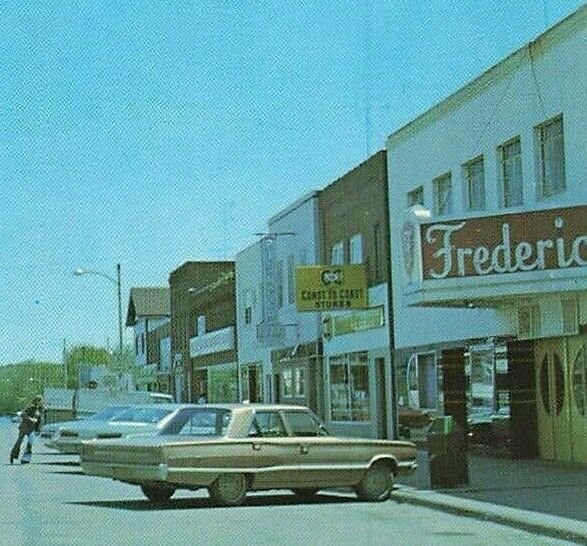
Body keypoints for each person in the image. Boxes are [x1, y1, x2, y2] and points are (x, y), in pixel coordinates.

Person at [10, 395, 45, 465]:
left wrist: (39, 430)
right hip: (24, 427)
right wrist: (30, 419)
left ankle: (25, 459)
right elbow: (23, 414)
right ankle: (13, 455)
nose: (39, 403)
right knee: (19, 441)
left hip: (32, 429)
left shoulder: (41, 410)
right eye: (38, 401)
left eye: (40, 401)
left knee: (30, 443)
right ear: (35, 401)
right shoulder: (30, 408)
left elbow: (41, 421)